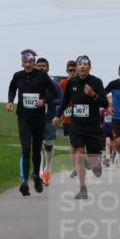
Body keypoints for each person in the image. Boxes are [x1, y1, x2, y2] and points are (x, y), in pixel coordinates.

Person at [6, 49, 56, 196]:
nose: (27, 65)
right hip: (23, 116)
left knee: (36, 149)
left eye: (30, 62)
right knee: (26, 148)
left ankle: (36, 177)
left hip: (38, 117)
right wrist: (10, 101)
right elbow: (12, 89)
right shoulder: (18, 76)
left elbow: (54, 93)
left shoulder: (42, 76)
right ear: (22, 62)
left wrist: (44, 100)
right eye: (25, 62)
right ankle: (24, 182)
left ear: (34, 62)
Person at [54, 55, 105, 200]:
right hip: (76, 125)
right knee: (79, 154)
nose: (82, 66)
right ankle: (83, 188)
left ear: (90, 67)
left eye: (85, 64)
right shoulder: (72, 83)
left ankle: (96, 165)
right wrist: (58, 115)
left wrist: (93, 94)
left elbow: (104, 104)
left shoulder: (96, 82)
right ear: (76, 68)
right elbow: (65, 101)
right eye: (80, 64)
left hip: (93, 125)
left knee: (93, 158)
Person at [36, 57, 64, 186]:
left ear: (48, 68)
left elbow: (61, 99)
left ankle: (48, 169)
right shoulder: (33, 82)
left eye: (44, 66)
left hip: (49, 118)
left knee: (48, 145)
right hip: (35, 118)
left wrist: (48, 101)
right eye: (39, 65)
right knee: (37, 145)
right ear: (36, 67)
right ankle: (41, 172)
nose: (41, 68)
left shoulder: (54, 84)